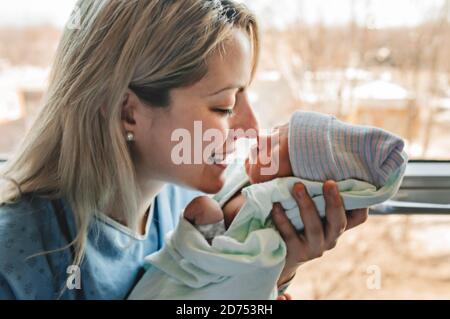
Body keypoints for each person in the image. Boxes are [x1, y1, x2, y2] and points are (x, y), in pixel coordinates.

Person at [0, 0, 368, 300]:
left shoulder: (192, 201)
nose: (251, 128)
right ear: (129, 111)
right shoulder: (17, 262)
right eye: (223, 106)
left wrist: (279, 269)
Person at [128, 111, 407, 300]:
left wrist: (280, 273)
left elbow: (237, 271)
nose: (259, 135)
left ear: (294, 183)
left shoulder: (258, 204)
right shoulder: (229, 180)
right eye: (223, 105)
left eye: (276, 147)